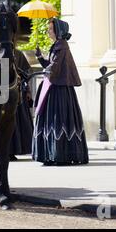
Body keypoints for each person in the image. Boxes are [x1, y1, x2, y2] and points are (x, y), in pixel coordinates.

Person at [32, 18, 89, 165]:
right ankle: (53, 154)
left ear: (58, 31)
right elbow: (51, 65)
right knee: (53, 121)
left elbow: (54, 67)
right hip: (55, 86)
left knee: (58, 121)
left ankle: (59, 154)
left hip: (60, 90)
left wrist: (45, 70)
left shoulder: (61, 45)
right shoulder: (57, 45)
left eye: (51, 29)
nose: (48, 32)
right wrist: (39, 57)